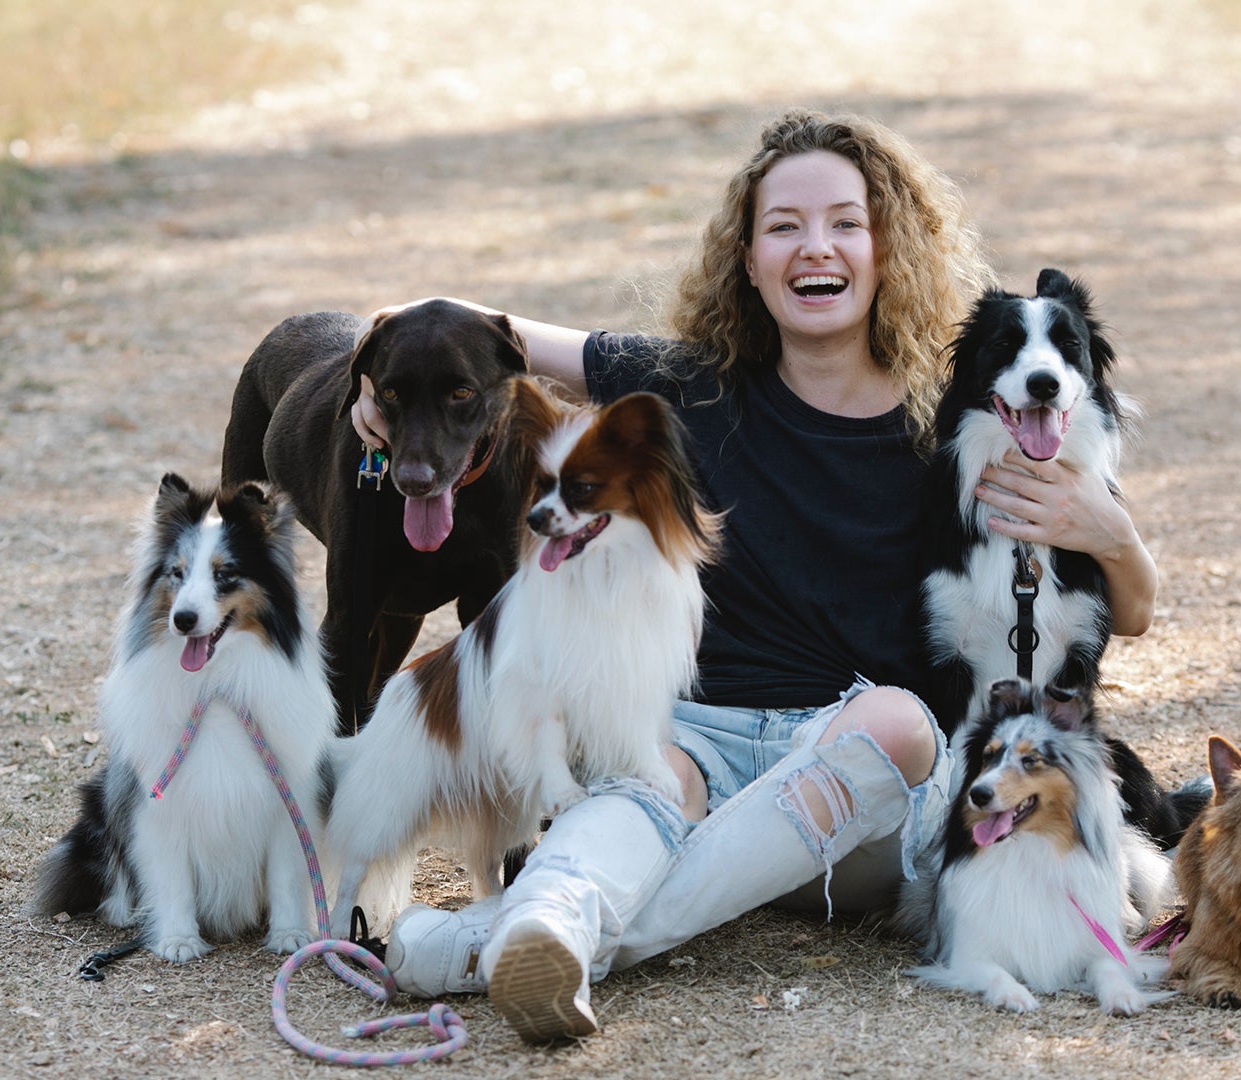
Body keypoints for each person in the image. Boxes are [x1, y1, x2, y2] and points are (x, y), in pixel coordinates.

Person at [349, 109, 1158, 1042]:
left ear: (888, 246)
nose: (816, 247)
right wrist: (378, 374)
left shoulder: (956, 420)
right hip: (707, 742)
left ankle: (490, 940)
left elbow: (1125, 613)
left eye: (845, 222)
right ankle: (551, 926)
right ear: (746, 258)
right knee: (646, 765)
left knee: (896, 720)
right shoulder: (691, 382)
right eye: (784, 226)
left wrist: (1113, 533)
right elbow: (490, 335)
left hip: (855, 785)